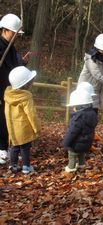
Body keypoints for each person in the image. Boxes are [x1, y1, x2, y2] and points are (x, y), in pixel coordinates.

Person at [0, 14, 30, 164]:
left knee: (8, 118)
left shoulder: (11, 47)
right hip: (1, 89)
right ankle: (1, 149)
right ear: (4, 30)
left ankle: (8, 149)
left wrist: (22, 64)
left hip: (8, 90)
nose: (16, 36)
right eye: (14, 33)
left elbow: (14, 68)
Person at [4, 66, 40, 174]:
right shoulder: (26, 97)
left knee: (14, 147)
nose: (32, 83)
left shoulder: (8, 96)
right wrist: (37, 128)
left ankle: (13, 166)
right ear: (25, 84)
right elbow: (31, 114)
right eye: (31, 82)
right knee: (25, 148)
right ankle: (26, 167)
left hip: (13, 129)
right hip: (24, 129)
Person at [63, 89, 98, 172]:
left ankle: (71, 168)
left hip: (76, 144)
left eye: (74, 106)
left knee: (72, 155)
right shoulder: (93, 114)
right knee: (82, 154)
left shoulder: (78, 118)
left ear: (80, 106)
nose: (73, 108)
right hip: (87, 143)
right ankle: (82, 165)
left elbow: (72, 132)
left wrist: (66, 142)